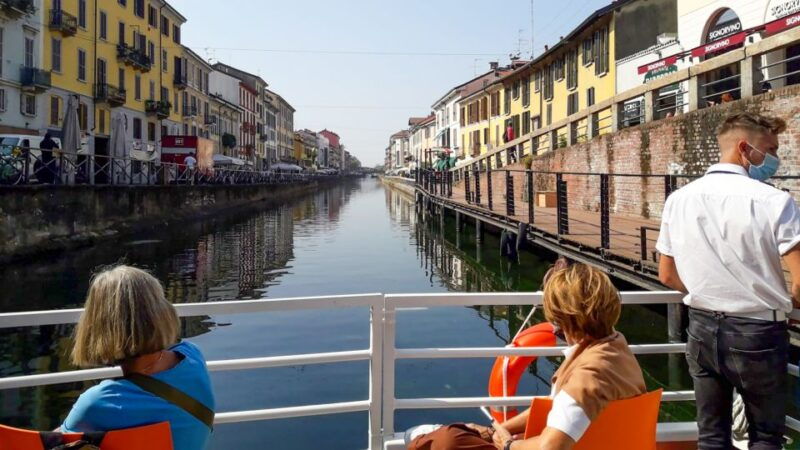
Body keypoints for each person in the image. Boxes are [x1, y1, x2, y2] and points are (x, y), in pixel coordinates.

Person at [657, 112, 800, 449]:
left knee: (711, 434)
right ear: (743, 147)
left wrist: (710, 292)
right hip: (758, 332)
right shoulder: (775, 201)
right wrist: (789, 302)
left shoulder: (678, 199)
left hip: (702, 327)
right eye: (770, 149)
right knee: (765, 436)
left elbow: (666, 274)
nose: (775, 159)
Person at [406, 262, 646, 450]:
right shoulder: (616, 349)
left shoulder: (588, 376)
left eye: (555, 320)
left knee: (448, 442)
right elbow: (561, 409)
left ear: (568, 320)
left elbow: (550, 447)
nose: (553, 327)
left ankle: (432, 437)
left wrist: (509, 445)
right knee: (455, 439)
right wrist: (494, 432)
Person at [61, 265, 215, 450]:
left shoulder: (99, 403)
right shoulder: (193, 356)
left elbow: (52, 444)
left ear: (96, 327)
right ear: (162, 313)